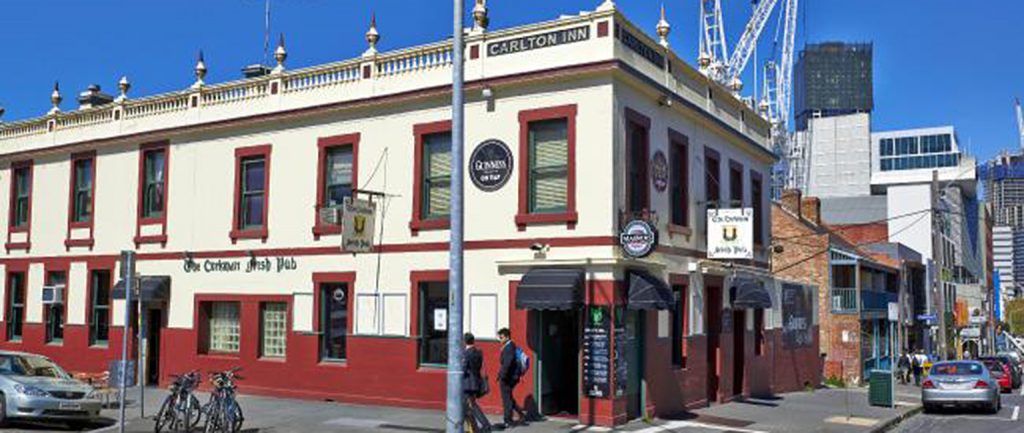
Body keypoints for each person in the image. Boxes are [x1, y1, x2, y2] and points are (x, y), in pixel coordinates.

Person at [497, 328, 526, 429]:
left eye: (501, 337)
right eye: (499, 337)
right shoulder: (509, 346)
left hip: (508, 377)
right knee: (508, 396)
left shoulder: (509, 347)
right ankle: (520, 414)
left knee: (506, 399)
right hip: (511, 376)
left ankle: (508, 420)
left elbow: (507, 363)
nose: (499, 339)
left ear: (507, 337)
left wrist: (502, 376)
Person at [463, 333, 492, 433]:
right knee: (468, 406)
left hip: (467, 384)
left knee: (471, 406)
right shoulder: (478, 352)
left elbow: (463, 368)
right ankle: (474, 428)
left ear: (464, 341)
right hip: (475, 382)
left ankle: (485, 425)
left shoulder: (466, 353)